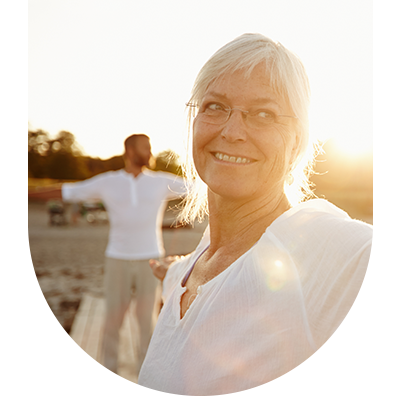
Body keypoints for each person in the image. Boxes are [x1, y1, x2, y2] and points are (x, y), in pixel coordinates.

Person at [137, 34, 373, 396]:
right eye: (214, 106)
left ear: (296, 141)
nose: (231, 132)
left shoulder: (322, 250)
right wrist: (170, 270)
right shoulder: (191, 270)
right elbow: (222, 280)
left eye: (264, 114)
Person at [29, 134, 187, 394]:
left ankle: (146, 378)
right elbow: (67, 191)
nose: (149, 152)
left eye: (149, 147)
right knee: (113, 320)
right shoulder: (109, 182)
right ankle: (108, 377)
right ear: (129, 150)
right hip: (117, 259)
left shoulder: (161, 182)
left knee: (147, 322)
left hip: (151, 259)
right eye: (144, 147)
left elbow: (203, 187)